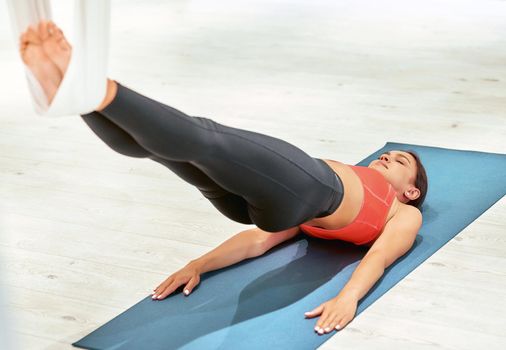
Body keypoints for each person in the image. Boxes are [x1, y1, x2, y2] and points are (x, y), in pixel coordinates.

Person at [18, 21, 428, 335]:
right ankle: (75, 96)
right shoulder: (356, 179)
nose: (389, 156)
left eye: (400, 161)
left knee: (205, 138)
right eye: (389, 154)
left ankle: (88, 82)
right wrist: (200, 264)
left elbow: (380, 256)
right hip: (266, 209)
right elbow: (261, 238)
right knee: (159, 150)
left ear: (411, 190)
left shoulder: (402, 213)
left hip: (314, 189)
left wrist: (348, 297)